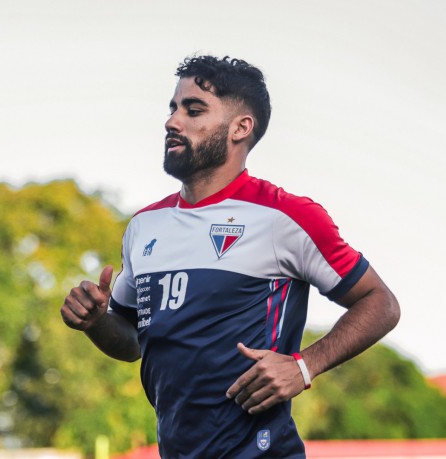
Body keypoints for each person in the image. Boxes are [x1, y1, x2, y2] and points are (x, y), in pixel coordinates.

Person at [61, 55, 400, 458]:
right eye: (173, 108)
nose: (173, 121)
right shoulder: (144, 227)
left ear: (241, 127)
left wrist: (303, 366)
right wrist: (96, 322)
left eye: (194, 110)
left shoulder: (286, 216)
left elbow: (382, 304)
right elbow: (131, 342)